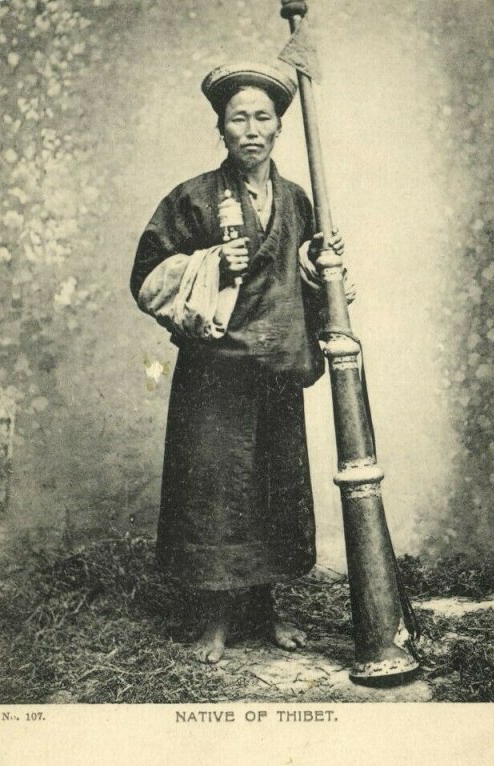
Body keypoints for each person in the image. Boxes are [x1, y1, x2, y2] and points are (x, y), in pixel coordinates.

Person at [130, 62, 348, 663]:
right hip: (216, 374)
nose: (251, 129)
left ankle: (267, 612)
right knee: (216, 495)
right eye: (238, 118)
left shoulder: (302, 201)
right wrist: (206, 265)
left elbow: (308, 279)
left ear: (279, 126)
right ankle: (213, 622)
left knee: (272, 492)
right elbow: (147, 278)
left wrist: (323, 269)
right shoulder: (193, 197)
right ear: (221, 129)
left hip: (279, 368)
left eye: (262, 117)